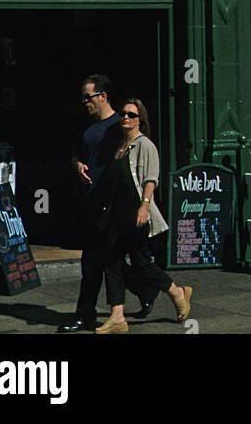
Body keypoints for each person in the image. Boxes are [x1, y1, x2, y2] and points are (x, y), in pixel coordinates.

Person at [58, 74, 150, 334]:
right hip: (90, 204)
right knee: (97, 261)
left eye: (88, 97)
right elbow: (76, 153)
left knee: (106, 261)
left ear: (103, 97)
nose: (84, 102)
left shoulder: (118, 125)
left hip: (112, 206)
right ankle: (146, 291)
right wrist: (77, 165)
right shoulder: (87, 128)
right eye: (83, 97)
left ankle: (88, 316)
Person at [95, 97, 192, 334]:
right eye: (123, 114)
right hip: (117, 214)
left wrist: (144, 207)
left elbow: (150, 179)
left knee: (140, 263)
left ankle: (177, 291)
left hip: (135, 213)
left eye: (132, 114)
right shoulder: (119, 146)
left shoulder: (144, 145)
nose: (126, 118)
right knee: (112, 261)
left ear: (141, 120)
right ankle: (117, 316)